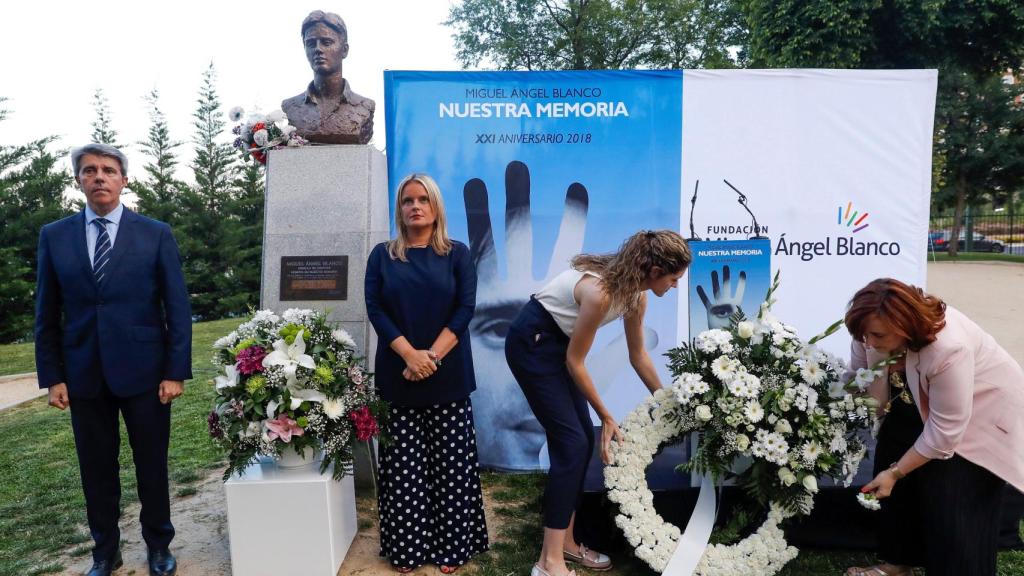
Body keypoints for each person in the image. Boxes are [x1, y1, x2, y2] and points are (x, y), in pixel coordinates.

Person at [34, 143, 191, 576]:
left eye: (107, 170)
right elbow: (46, 311)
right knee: (96, 470)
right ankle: (105, 552)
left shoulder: (155, 233)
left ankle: (159, 545)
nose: (99, 177)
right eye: (89, 171)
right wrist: (53, 377)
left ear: (124, 179)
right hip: (83, 375)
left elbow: (176, 306)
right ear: (79, 180)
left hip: (145, 373)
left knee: (151, 466)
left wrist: (175, 371)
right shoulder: (55, 236)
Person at [504, 230, 692, 576]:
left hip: (559, 345)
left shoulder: (637, 295)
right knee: (572, 443)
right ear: (653, 270)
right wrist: (606, 415)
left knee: (581, 442)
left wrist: (665, 400)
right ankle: (548, 563)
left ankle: (566, 544)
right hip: (532, 343)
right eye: (674, 278)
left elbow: (638, 356)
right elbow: (576, 362)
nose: (676, 285)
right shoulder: (600, 293)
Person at [843, 278, 1024, 576]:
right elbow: (857, 377)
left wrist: (896, 472)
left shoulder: (948, 348)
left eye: (877, 335)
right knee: (892, 449)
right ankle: (897, 563)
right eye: (863, 335)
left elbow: (944, 433)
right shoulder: (870, 330)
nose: (869, 343)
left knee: (953, 497)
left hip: (983, 415)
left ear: (903, 326)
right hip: (924, 401)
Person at [364, 173, 489, 573]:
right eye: (407, 201)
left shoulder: (457, 253)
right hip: (398, 375)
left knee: (451, 470)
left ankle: (452, 549)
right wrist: (408, 354)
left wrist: (430, 357)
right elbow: (376, 308)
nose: (415, 206)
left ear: (436, 207)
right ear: (399, 209)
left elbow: (465, 309)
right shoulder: (382, 255)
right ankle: (408, 550)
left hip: (447, 375)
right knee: (403, 471)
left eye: (423, 200)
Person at [281, 10, 375, 145]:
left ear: (344, 50)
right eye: (311, 44)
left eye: (326, 42)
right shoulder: (290, 107)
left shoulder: (365, 107)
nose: (318, 49)